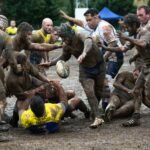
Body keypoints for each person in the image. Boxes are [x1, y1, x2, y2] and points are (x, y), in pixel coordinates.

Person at [41, 23, 106, 129]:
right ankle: (97, 117)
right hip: (85, 69)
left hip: (99, 65)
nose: (63, 40)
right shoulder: (66, 45)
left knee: (98, 91)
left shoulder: (80, 34)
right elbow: (64, 57)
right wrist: (50, 63)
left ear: (70, 34)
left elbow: (88, 41)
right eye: (62, 38)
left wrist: (84, 53)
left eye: (64, 37)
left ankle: (94, 112)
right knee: (89, 91)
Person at [100, 14, 150, 127]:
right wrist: (105, 47)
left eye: (127, 27)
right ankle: (136, 117)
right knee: (136, 91)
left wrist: (127, 38)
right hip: (146, 67)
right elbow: (122, 48)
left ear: (133, 25)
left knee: (148, 94)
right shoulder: (135, 35)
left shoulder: (145, 33)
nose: (126, 30)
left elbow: (143, 43)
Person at [60, 8, 123, 79]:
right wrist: (68, 17)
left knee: (105, 79)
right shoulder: (94, 25)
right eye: (87, 20)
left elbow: (113, 43)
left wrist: (102, 59)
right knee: (98, 78)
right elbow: (80, 22)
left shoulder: (104, 27)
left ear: (96, 17)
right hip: (106, 54)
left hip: (115, 56)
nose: (88, 22)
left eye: (89, 20)